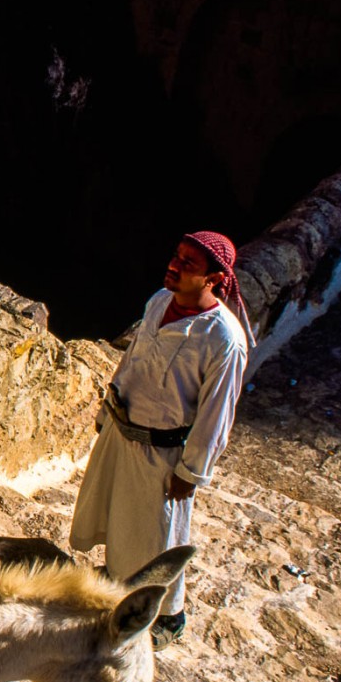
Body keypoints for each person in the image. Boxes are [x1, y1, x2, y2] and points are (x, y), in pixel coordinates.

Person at [71, 231, 252, 647]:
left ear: (213, 279)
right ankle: (117, 580)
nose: (174, 265)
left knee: (159, 537)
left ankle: (167, 615)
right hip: (124, 431)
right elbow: (133, 360)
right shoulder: (158, 302)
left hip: (164, 452)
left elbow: (216, 412)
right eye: (177, 256)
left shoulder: (223, 339)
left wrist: (192, 471)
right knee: (119, 517)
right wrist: (107, 412)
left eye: (189, 264)